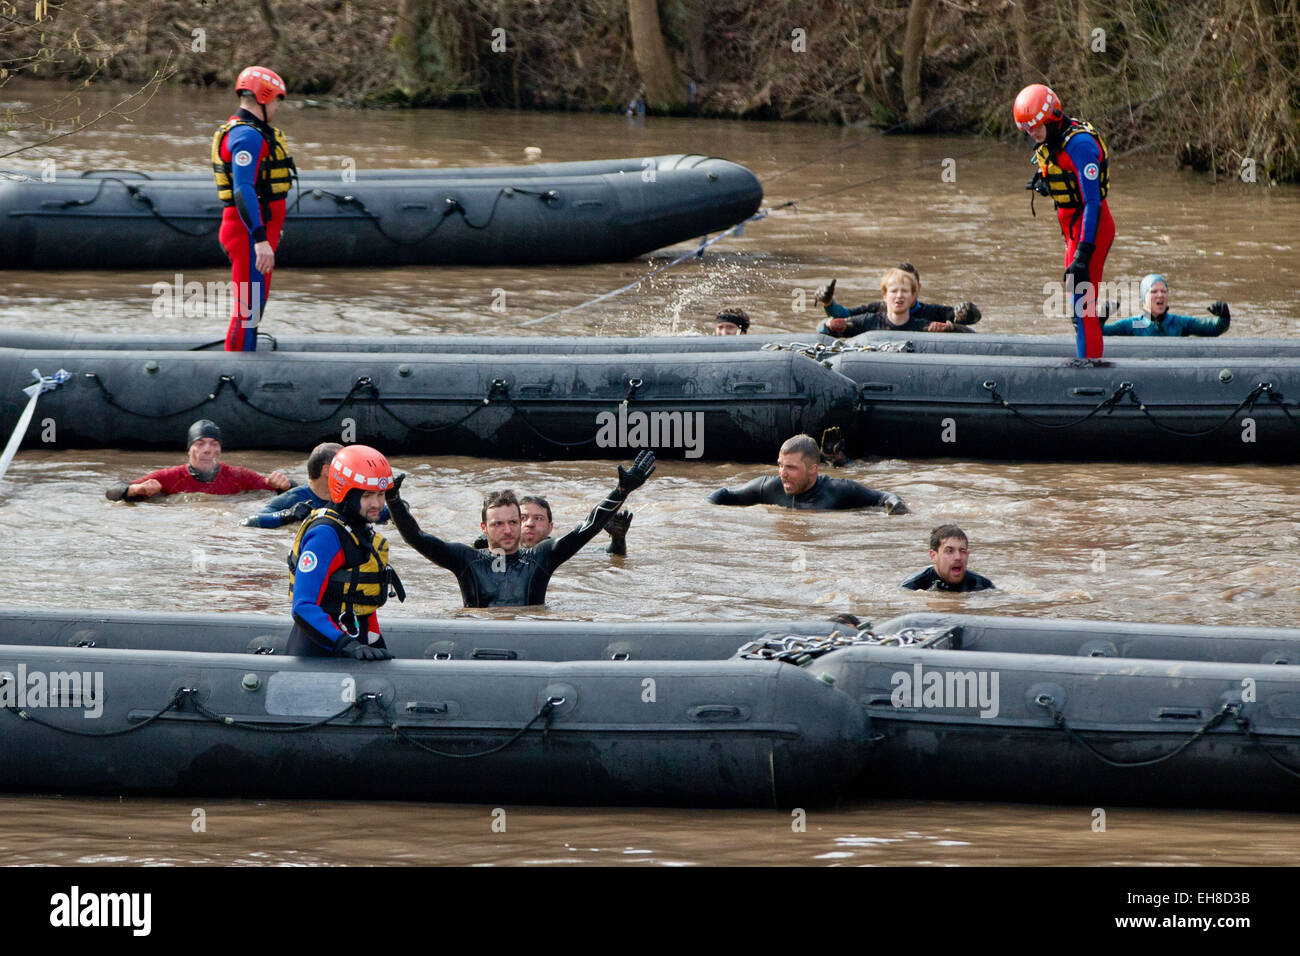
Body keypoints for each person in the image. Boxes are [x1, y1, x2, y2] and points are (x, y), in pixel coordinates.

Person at [386, 452, 656, 607]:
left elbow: (586, 528)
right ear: (484, 527)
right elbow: (416, 538)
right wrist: (394, 501)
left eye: (513, 522)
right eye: (498, 524)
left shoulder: (541, 557)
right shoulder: (465, 559)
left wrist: (622, 490)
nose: (507, 530)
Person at [1014, 83, 1114, 362]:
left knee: (1084, 307)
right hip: (1072, 230)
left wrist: (1084, 252)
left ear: (1053, 118)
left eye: (1036, 127)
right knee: (1076, 305)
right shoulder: (1052, 140)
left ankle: (1090, 369)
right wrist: (1046, 183)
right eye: (1027, 130)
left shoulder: (1080, 146)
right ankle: (1090, 344)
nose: (1032, 134)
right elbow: (1062, 174)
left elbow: (1092, 202)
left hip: (1091, 229)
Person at [287, 444, 404, 659]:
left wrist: (374, 639)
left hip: (354, 642)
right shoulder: (325, 536)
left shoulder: (360, 527)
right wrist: (346, 645)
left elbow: (361, 601)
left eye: (380, 495)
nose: (377, 504)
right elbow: (303, 606)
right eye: (368, 495)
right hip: (319, 649)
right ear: (344, 492)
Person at [212, 66, 296, 352]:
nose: (275, 108)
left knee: (255, 306)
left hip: (258, 234)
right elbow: (243, 189)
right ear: (262, 98)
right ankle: (236, 374)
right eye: (275, 102)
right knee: (247, 309)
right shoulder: (247, 137)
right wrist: (260, 239)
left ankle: (244, 359)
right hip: (247, 235)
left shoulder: (255, 132)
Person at [708, 434, 906, 512]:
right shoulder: (769, 487)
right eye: (780, 465)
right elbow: (724, 493)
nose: (782, 474)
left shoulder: (840, 490)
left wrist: (895, 506)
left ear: (813, 469)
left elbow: (883, 497)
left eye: (791, 467)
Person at [105, 419, 292, 501]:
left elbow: (285, 490)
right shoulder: (170, 477)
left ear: (220, 449)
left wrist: (285, 484)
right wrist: (134, 489)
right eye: (200, 444)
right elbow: (111, 493)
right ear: (189, 449)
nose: (207, 450)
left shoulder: (238, 476)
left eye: (214, 444)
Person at [241, 442, 390, 528]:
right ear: (327, 470)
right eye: (345, 464)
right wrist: (288, 515)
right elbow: (247, 521)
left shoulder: (349, 499)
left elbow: (384, 514)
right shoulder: (294, 497)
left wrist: (396, 505)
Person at [814, 264, 980, 337]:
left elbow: (968, 327)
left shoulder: (929, 320)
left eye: (905, 289)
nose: (899, 296)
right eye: (894, 290)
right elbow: (840, 320)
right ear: (885, 294)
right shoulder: (872, 316)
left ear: (916, 290)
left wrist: (964, 315)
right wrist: (828, 306)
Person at [472, 494, 633, 555]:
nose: (530, 524)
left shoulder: (559, 549)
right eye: (523, 518)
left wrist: (618, 540)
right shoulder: (492, 548)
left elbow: (609, 555)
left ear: (550, 527)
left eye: (538, 518)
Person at [1103, 274, 1230, 337]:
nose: (1160, 295)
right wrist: (1101, 318)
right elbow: (1101, 335)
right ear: (1143, 298)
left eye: (1164, 291)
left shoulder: (1179, 323)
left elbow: (1215, 329)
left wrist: (1224, 315)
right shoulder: (1133, 325)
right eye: (1153, 292)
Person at [900, 524, 995, 592]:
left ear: (967, 555)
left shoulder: (983, 585)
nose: (958, 557)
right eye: (949, 551)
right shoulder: (911, 586)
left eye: (962, 551)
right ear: (933, 556)